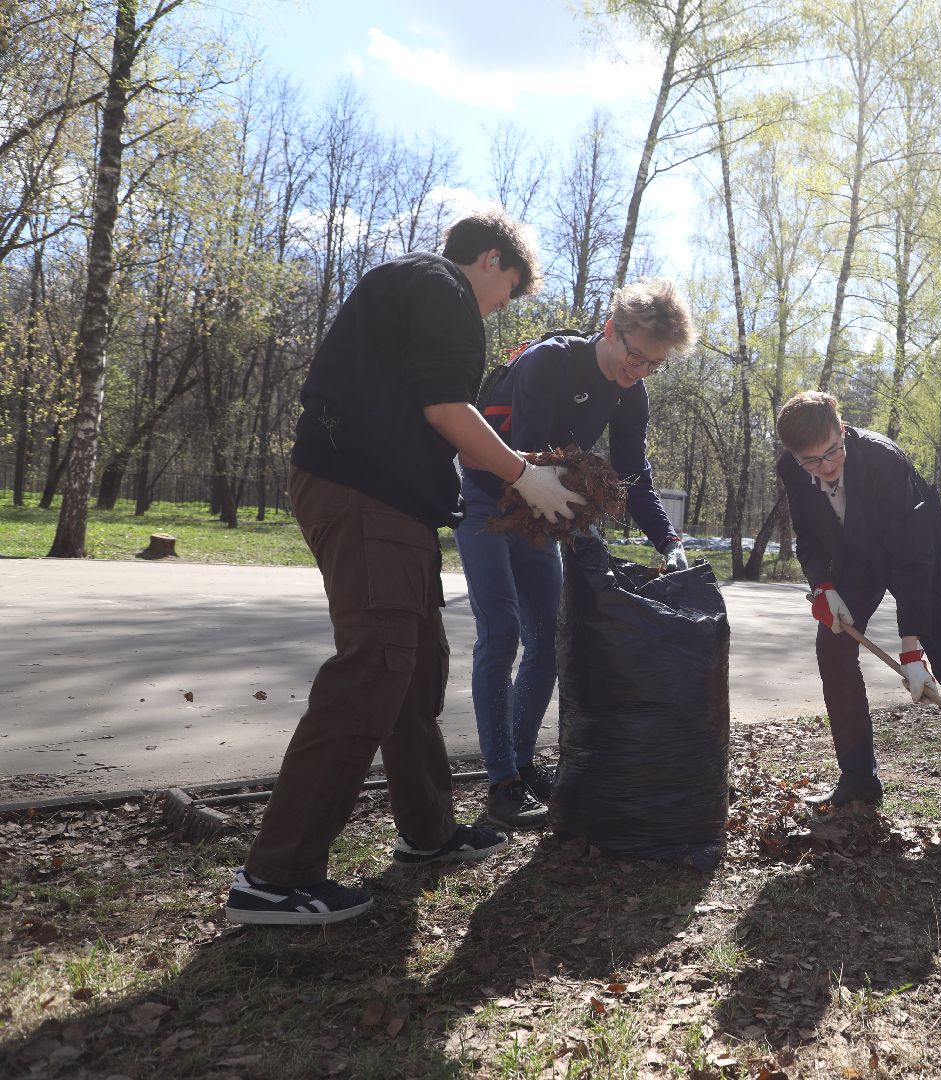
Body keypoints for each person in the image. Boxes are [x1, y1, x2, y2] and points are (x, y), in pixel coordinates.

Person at [226, 210, 567, 926]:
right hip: (365, 494)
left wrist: (520, 466)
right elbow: (448, 408)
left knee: (414, 670)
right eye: (509, 288)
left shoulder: (415, 290)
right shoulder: (442, 286)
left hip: (395, 505)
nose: (503, 304)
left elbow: (432, 408)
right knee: (377, 663)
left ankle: (429, 833)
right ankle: (274, 876)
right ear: (490, 259)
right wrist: (522, 477)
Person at [459, 279, 695, 830]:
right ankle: (500, 782)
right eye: (635, 356)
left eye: (653, 365)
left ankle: (520, 762)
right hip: (487, 496)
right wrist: (579, 502)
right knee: (501, 633)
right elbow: (534, 452)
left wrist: (669, 540)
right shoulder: (550, 362)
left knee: (548, 641)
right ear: (611, 330)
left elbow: (634, 473)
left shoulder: (631, 390)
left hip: (547, 508)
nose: (639, 372)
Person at [775, 391, 941, 832]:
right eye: (812, 461)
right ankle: (858, 782)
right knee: (833, 648)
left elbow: (913, 560)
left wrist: (912, 649)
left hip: (919, 556)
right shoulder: (792, 470)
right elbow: (807, 533)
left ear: (842, 430)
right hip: (854, 558)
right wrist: (822, 585)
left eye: (832, 451)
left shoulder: (884, 461)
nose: (826, 465)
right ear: (794, 457)